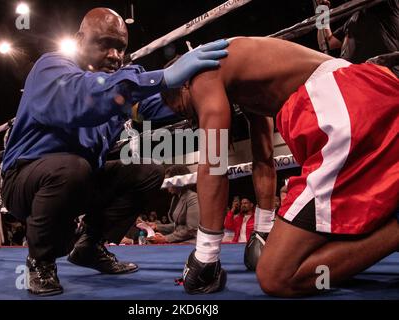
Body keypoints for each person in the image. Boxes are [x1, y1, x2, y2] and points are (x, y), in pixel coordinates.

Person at [0, 7, 229, 296]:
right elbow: (84, 98)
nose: (114, 55)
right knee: (72, 169)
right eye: (105, 43)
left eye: (120, 47)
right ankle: (40, 262)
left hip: (78, 181)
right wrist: (162, 76)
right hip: (25, 182)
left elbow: (153, 103)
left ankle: (89, 247)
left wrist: (198, 90)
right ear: (79, 38)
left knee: (147, 172)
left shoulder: (116, 88)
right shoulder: (51, 67)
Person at [161, 36, 399, 296]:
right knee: (301, 254)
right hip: (368, 93)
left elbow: (214, 164)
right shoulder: (248, 81)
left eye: (184, 109)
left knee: (278, 277)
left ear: (183, 82)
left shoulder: (201, 74)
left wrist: (206, 253)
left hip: (343, 107)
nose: (192, 117)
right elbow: (263, 158)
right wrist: (262, 230)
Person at [316, 0, 399, 75]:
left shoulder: (386, 6)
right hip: (355, 75)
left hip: (382, 71)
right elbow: (327, 43)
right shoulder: (352, 19)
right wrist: (322, 14)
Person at [147, 165, 200, 244]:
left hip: (191, 242)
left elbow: (191, 229)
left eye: (169, 181)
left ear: (179, 180)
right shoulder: (175, 198)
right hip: (180, 241)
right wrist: (156, 226)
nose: (167, 185)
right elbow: (177, 226)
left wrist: (166, 239)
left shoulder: (192, 198)